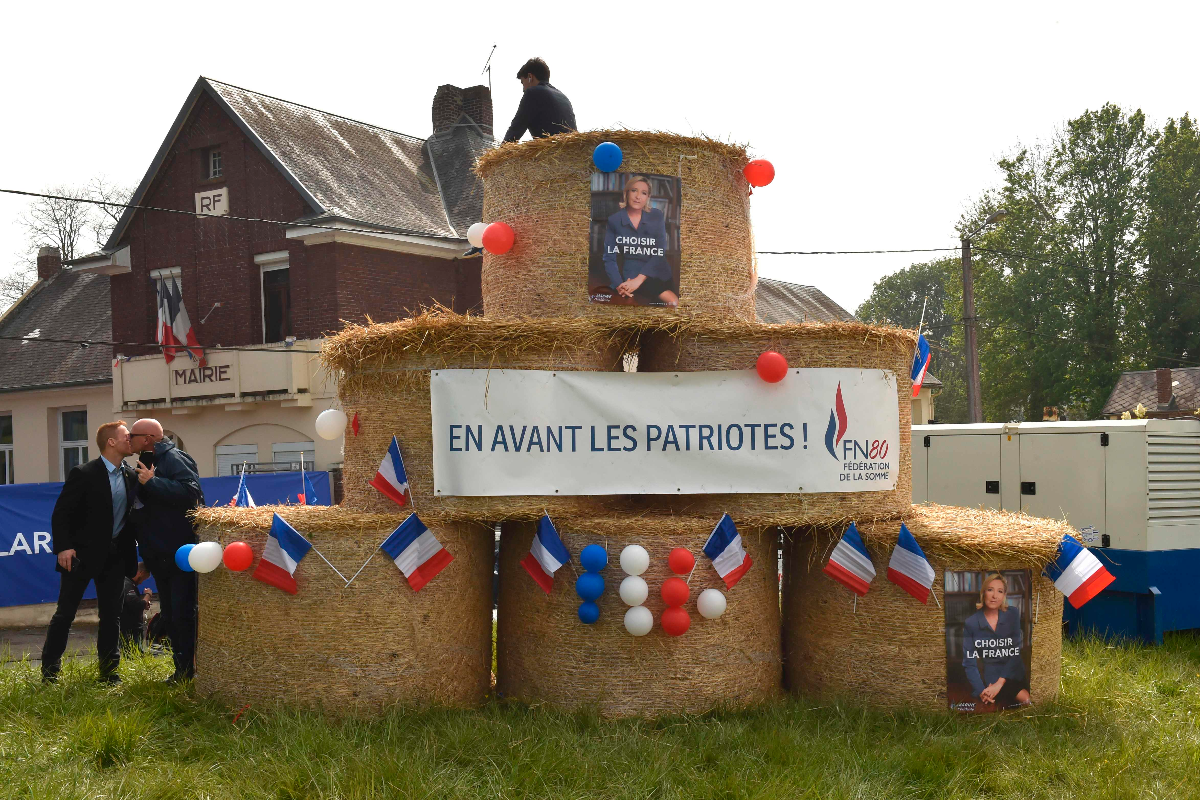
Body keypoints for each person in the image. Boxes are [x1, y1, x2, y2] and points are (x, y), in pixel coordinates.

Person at [41, 421, 139, 684]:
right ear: (111, 442)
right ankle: (50, 673)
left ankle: (109, 673)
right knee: (65, 614)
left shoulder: (131, 476)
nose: (131, 439)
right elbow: (62, 513)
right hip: (80, 557)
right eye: (126, 436)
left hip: (115, 558)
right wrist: (63, 546)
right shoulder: (83, 473)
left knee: (111, 616)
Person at [128, 418, 204, 684]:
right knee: (172, 614)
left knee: (182, 613)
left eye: (132, 435)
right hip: (160, 554)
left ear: (147, 438)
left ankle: (187, 671)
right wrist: (146, 560)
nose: (129, 439)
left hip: (179, 553)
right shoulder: (149, 459)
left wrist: (153, 483)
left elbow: (192, 494)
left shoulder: (172, 458)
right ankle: (182, 670)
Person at [600, 175, 678, 306]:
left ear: (648, 197)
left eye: (644, 193)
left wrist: (638, 280)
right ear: (626, 193)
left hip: (658, 270)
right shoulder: (614, 220)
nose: (638, 196)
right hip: (631, 273)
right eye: (634, 190)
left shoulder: (656, 215)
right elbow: (609, 257)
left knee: (674, 303)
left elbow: (659, 252)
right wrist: (619, 284)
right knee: (671, 302)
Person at [961, 573, 1032, 707]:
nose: (995, 596)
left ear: (1004, 596)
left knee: (1028, 699)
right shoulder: (971, 623)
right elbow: (969, 662)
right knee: (1025, 700)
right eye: (990, 590)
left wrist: (1000, 683)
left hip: (1014, 670)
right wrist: (981, 691)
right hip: (992, 676)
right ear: (983, 593)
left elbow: (1015, 652)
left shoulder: (1012, 614)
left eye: (1000, 591)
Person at [503, 57, 576, 143]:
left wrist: (499, 154)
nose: (523, 89)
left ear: (530, 77)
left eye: (523, 83)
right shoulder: (563, 97)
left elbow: (516, 129)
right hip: (569, 148)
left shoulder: (533, 93)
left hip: (551, 151)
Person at [119, 562, 154, 650]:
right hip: (129, 629)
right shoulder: (127, 584)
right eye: (142, 579)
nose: (141, 582)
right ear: (140, 573)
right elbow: (137, 604)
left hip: (132, 628)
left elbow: (133, 603)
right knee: (132, 653)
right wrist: (148, 595)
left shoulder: (129, 583)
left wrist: (144, 603)